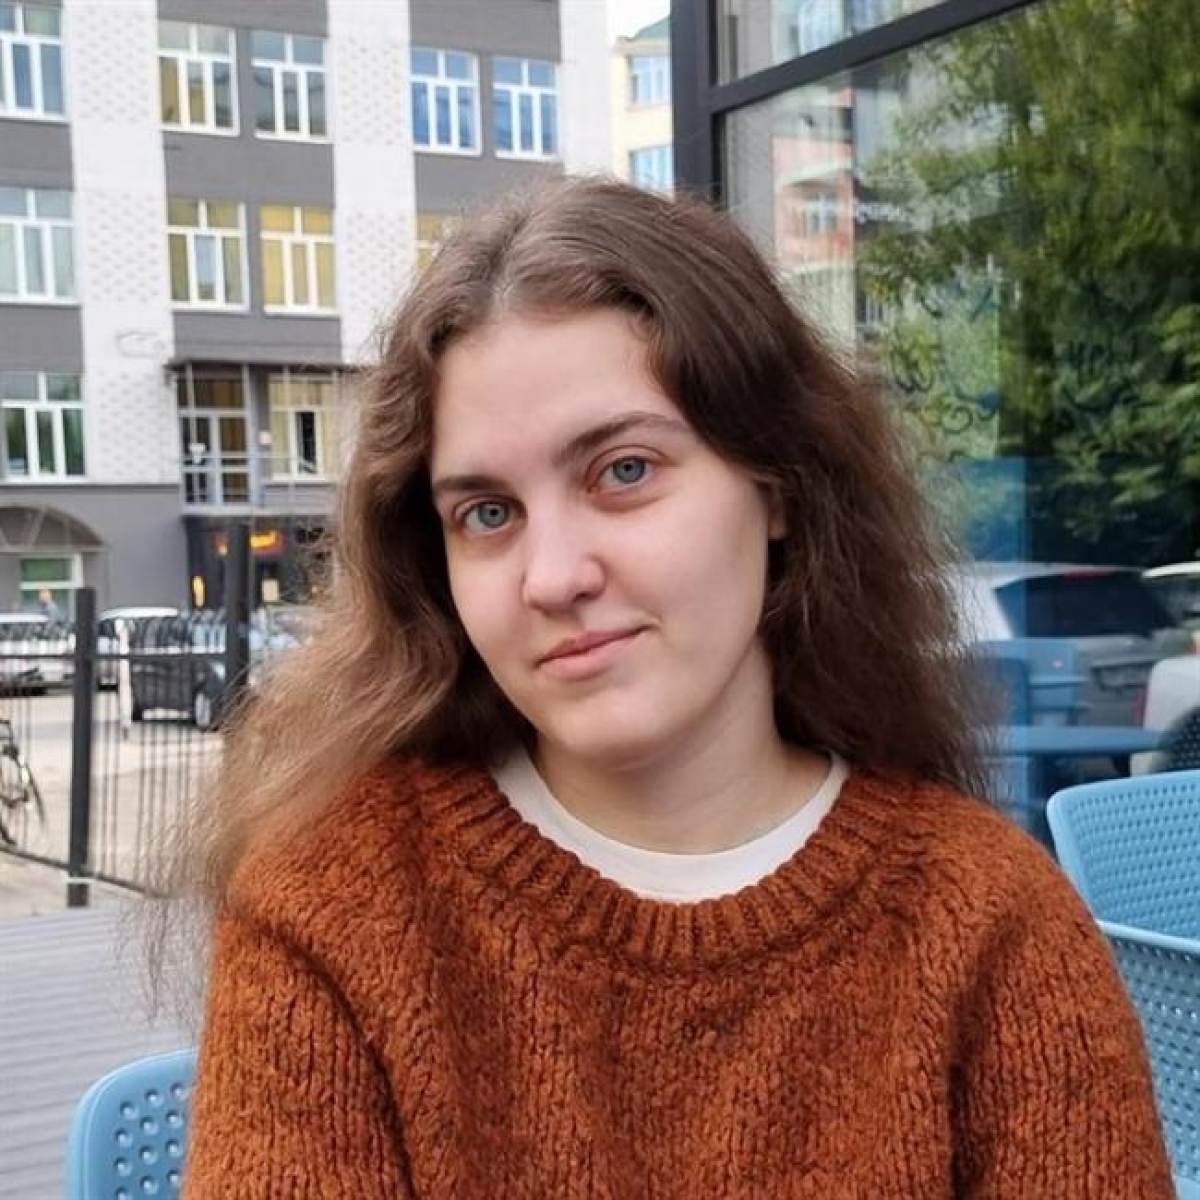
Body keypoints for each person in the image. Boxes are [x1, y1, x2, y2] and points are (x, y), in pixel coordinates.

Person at [176, 178, 1173, 1196]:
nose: (553, 576)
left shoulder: (992, 928)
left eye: (624, 471)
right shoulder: (336, 904)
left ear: (776, 487)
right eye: (488, 513)